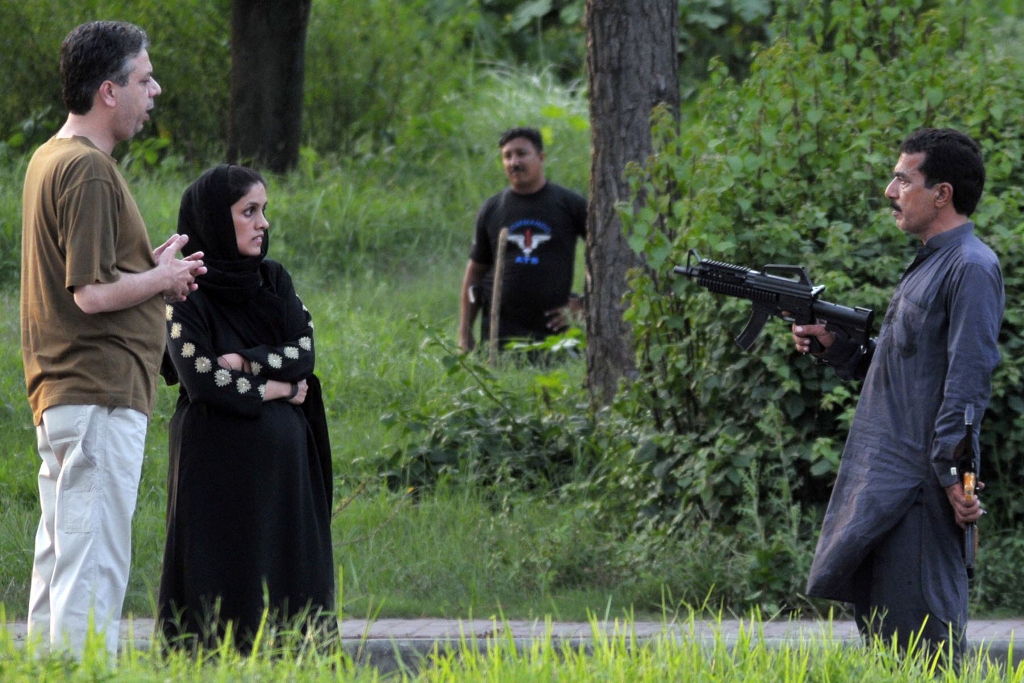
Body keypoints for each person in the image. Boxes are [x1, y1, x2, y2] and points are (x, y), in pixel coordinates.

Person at [20, 21, 205, 658]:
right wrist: (164, 278)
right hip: (98, 391)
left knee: (62, 555)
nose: (154, 90)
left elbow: (91, 274)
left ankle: (47, 670)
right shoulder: (90, 171)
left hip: (67, 390)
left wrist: (150, 268)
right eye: (143, 79)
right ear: (108, 91)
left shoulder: (50, 157)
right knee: (94, 563)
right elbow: (91, 295)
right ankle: (83, 673)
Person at [791, 128, 1003, 663]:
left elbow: (967, 381)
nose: (890, 190)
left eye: (902, 178)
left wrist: (954, 475)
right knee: (890, 657)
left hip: (920, 499)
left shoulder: (971, 267)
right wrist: (835, 347)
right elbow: (902, 371)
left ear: (942, 193)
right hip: (885, 495)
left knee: (925, 657)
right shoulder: (930, 263)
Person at [157, 165, 335, 652]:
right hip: (214, 471)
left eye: (264, 211)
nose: (263, 223)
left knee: (289, 582)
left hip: (283, 474)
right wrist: (279, 389)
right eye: (249, 212)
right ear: (217, 219)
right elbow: (203, 382)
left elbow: (304, 351)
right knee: (218, 583)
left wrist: (246, 361)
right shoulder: (184, 288)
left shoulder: (272, 280)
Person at [458, 127, 587, 353]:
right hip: (499, 341)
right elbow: (475, 272)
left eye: (521, 154)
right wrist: (464, 332)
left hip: (554, 339)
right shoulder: (492, 209)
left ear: (541, 157)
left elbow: (605, 255)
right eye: (507, 156)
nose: (513, 162)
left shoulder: (570, 205)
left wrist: (586, 304)